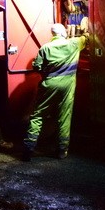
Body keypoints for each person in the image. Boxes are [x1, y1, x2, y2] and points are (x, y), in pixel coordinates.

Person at [22, 21, 88, 160]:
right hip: (66, 86)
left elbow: (37, 67)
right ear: (64, 33)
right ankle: (61, 151)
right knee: (64, 117)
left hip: (48, 85)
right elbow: (86, 37)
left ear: (52, 34)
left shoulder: (45, 48)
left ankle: (28, 149)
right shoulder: (74, 43)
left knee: (38, 115)